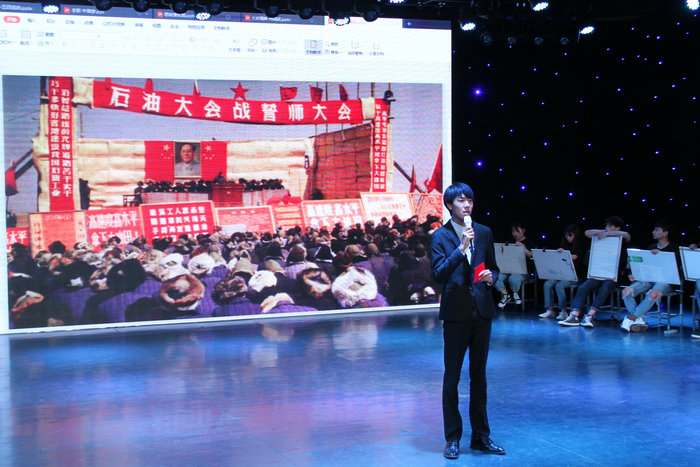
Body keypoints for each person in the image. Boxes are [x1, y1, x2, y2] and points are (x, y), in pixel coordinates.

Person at [429, 182, 505, 459]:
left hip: (481, 311)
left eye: (470, 200)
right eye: (461, 200)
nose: (467, 205)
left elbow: (494, 268)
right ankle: (452, 438)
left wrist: (491, 278)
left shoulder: (484, 232)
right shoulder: (440, 236)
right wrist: (461, 247)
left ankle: (481, 436)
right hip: (456, 314)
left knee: (479, 377)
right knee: (452, 377)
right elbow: (439, 273)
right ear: (450, 205)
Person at [559, 216, 631, 328]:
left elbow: (626, 235)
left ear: (617, 228)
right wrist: (604, 232)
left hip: (613, 276)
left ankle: (589, 316)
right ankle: (574, 315)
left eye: (610, 226)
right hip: (598, 273)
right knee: (583, 288)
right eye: (606, 226)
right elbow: (587, 233)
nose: (607, 228)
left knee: (605, 288)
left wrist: (608, 234)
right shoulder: (601, 237)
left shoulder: (622, 239)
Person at [620, 220, 679, 333]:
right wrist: (636, 276)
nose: (653, 232)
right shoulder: (651, 247)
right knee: (626, 291)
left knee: (653, 293)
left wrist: (661, 255)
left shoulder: (674, 248)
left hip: (666, 281)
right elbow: (645, 267)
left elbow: (675, 269)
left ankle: (630, 318)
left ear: (665, 233)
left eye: (657, 230)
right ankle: (638, 320)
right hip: (649, 279)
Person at [539, 225, 585, 320]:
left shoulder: (580, 245)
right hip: (561, 274)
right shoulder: (565, 245)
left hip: (574, 276)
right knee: (547, 284)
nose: (568, 238)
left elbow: (575, 257)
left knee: (559, 286)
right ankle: (550, 310)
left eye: (570, 235)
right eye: (566, 236)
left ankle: (563, 311)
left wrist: (564, 253)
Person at [494, 222, 535, 309]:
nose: (515, 234)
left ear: (523, 231)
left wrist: (522, 248)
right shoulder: (510, 241)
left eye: (517, 231)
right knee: (495, 276)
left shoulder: (529, 242)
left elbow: (532, 256)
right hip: (508, 269)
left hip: (522, 271)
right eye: (513, 232)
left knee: (513, 278)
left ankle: (515, 293)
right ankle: (505, 294)